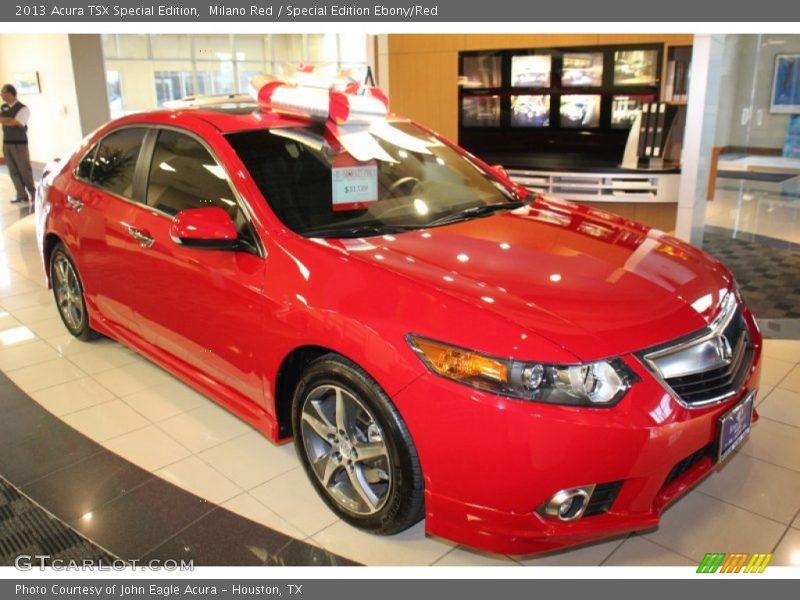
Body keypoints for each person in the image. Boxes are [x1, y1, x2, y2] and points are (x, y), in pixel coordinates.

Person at [1, 84, 36, 204]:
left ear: (10, 93)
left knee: (24, 168)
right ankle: (21, 194)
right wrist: (9, 120)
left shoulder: (23, 108)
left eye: (3, 92)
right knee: (12, 169)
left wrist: (8, 120)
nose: (1, 95)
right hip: (6, 142)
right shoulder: (3, 107)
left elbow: (18, 123)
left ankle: (33, 193)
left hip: (19, 143)